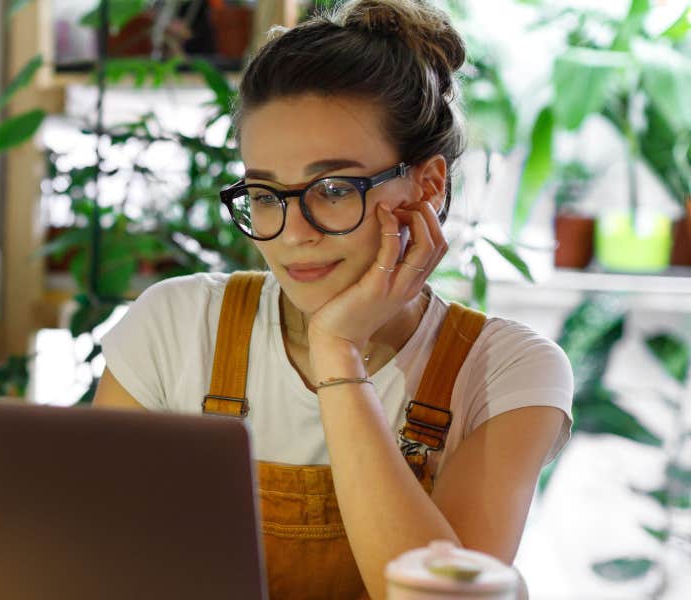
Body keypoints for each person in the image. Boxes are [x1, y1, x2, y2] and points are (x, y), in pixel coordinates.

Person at [93, 1, 573, 598]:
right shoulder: (176, 324)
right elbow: (90, 556)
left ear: (427, 185)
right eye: (266, 194)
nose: (294, 232)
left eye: (334, 188)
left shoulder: (505, 371)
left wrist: (337, 351)